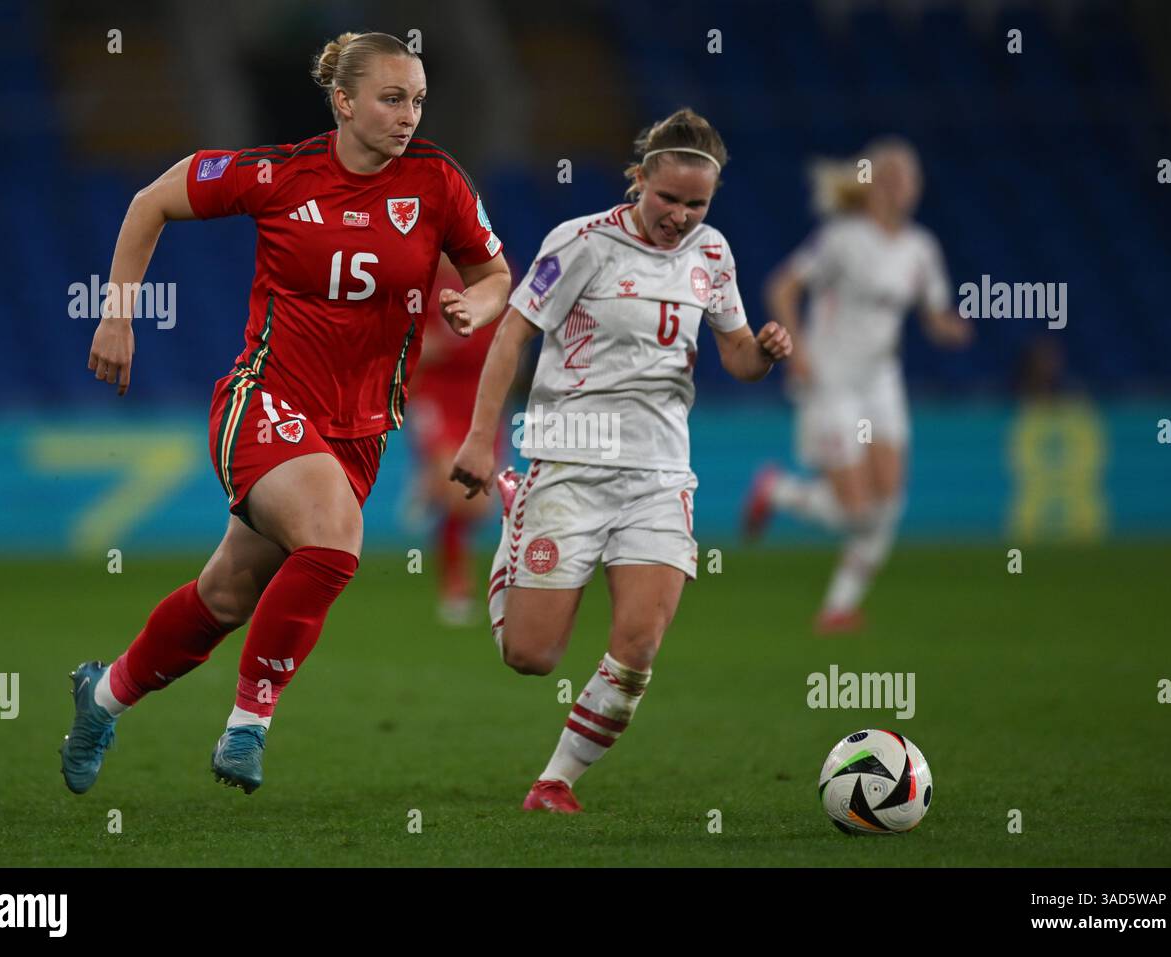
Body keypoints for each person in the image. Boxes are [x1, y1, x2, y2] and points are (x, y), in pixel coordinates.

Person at [62, 31, 510, 795]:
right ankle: (248, 724)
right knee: (336, 540)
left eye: (419, 101)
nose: (409, 116)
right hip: (263, 399)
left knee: (226, 596)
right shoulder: (277, 174)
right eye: (392, 98)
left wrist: (478, 302)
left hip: (361, 429)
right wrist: (117, 313)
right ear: (344, 101)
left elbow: (497, 271)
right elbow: (152, 201)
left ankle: (102, 696)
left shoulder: (437, 182)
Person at [450, 108, 791, 813]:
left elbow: (735, 354)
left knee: (639, 643)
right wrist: (481, 439)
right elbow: (511, 336)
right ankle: (518, 503)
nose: (680, 216)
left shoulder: (713, 254)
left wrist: (763, 351)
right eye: (669, 198)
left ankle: (555, 781)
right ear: (639, 179)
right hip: (570, 461)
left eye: (697, 204)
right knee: (532, 656)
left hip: (660, 473)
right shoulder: (580, 243)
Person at [743, 137, 971, 633]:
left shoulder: (921, 249)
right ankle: (777, 491)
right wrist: (797, 351)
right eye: (889, 178)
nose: (899, 188)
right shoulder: (842, 238)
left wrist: (952, 327)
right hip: (831, 381)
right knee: (857, 512)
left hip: (881, 382)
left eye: (907, 178)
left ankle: (837, 608)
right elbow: (781, 286)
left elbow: (934, 317)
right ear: (870, 187)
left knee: (886, 505)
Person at [406, 254, 503, 625]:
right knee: (457, 490)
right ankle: (455, 586)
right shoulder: (420, 279)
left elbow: (504, 338)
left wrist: (445, 343)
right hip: (436, 396)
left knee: (476, 505)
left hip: (480, 398)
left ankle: (430, 487)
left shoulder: (493, 275)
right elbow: (411, 343)